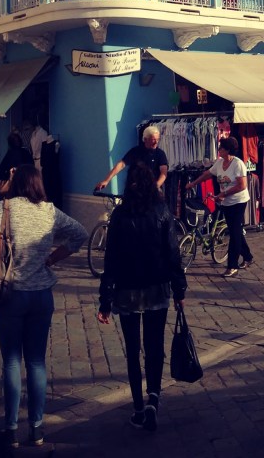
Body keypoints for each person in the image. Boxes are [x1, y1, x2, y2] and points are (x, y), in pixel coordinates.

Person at [0, 165, 87, 449]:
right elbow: (80, 234)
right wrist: (53, 258)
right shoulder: (49, 211)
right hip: (41, 294)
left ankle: (10, 429)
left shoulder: (4, 208)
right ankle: (36, 428)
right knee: (36, 361)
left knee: (11, 361)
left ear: (16, 183)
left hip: (11, 293)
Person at [97, 164, 186, 432]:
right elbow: (173, 253)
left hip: (127, 290)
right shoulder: (162, 212)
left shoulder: (120, 215)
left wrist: (105, 299)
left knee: (133, 350)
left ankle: (138, 406)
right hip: (157, 286)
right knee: (155, 345)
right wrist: (179, 289)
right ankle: (153, 400)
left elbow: (110, 260)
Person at [186, 136, 255, 277]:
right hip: (226, 202)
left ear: (228, 150)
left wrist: (224, 193)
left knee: (234, 233)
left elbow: (242, 186)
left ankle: (232, 266)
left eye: (221, 148)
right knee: (235, 230)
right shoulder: (219, 163)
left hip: (238, 201)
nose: (219, 150)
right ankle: (248, 257)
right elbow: (208, 174)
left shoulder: (238, 164)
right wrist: (194, 183)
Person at [95, 125, 169, 192]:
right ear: (145, 139)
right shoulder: (135, 151)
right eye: (153, 139)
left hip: (152, 191)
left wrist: (155, 187)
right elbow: (121, 164)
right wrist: (106, 180)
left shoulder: (160, 154)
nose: (156, 142)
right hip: (135, 190)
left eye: (157, 139)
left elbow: (163, 173)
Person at [0, 131, 34, 195]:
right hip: (25, 181)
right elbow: (31, 167)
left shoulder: (9, 154)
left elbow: (1, 168)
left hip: (13, 181)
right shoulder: (25, 152)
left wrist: (5, 179)